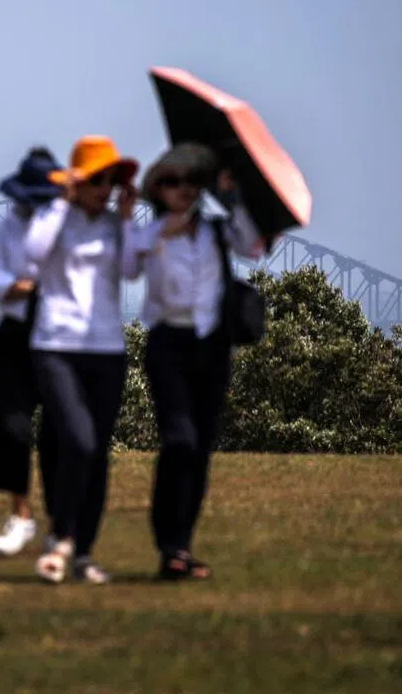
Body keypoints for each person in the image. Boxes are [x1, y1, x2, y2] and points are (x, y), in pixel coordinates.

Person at [121, 142, 263, 580]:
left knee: (199, 449)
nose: (182, 189)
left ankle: (179, 547)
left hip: (212, 347)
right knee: (179, 441)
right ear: (158, 191)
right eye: (171, 181)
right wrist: (126, 220)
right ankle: (169, 540)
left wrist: (235, 193)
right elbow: (126, 268)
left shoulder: (218, 231)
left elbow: (254, 245)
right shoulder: (152, 233)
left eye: (189, 181)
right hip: (168, 345)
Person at [24, 135, 139, 585]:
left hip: (107, 349)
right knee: (79, 441)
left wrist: (128, 220)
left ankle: (83, 551)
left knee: (96, 454)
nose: (105, 189)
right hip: (56, 345)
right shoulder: (55, 219)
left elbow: (131, 270)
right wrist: (60, 202)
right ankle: (62, 538)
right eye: (97, 180)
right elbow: (33, 254)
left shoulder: (115, 225)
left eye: (111, 180)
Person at [0, 147, 61, 555]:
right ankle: (21, 514)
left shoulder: (69, 221)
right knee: (9, 427)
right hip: (15, 332)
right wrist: (24, 286)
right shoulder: (8, 225)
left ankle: (61, 522)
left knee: (61, 433)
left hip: (58, 333)